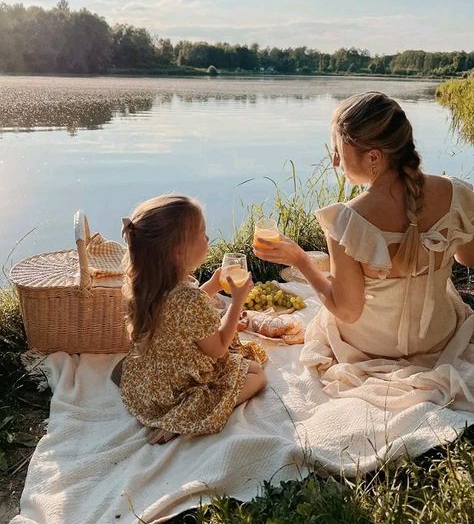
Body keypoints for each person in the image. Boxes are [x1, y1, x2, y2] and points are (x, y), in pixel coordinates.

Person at [254, 91, 474, 411]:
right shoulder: (458, 194)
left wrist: (300, 259)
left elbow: (347, 311)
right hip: (439, 337)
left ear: (373, 157)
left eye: (339, 152)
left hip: (371, 348)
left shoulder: (347, 220)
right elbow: (467, 258)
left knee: (325, 317)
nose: (334, 162)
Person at [114, 195, 267, 444]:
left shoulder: (150, 284)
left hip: (150, 385)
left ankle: (178, 417)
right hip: (179, 388)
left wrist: (212, 286)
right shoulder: (188, 298)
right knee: (256, 374)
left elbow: (180, 313)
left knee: (243, 362)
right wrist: (237, 301)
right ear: (178, 251)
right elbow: (218, 349)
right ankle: (186, 418)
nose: (207, 239)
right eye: (202, 233)